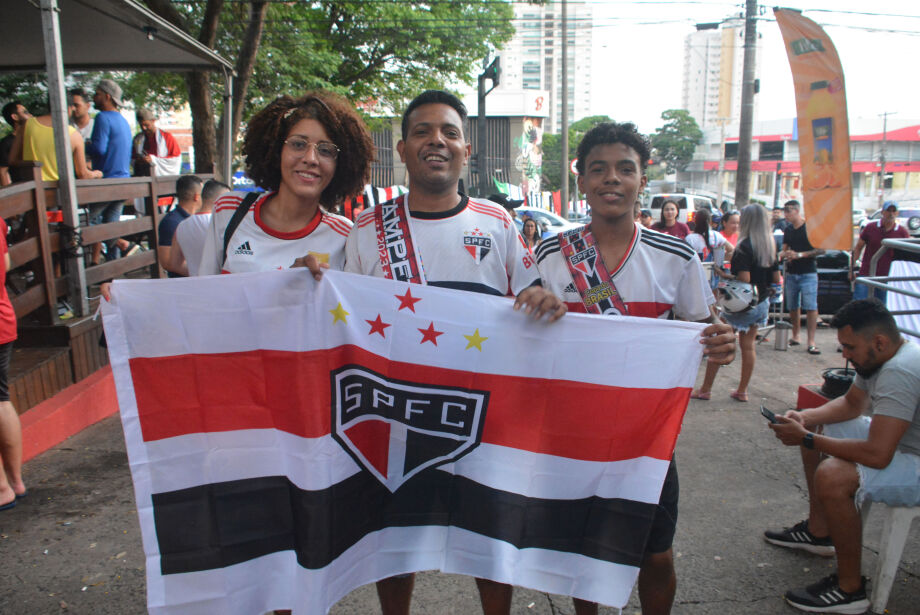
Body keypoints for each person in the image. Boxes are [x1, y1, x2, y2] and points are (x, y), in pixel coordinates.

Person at [305, 89, 565, 615]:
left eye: (448, 132)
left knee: (488, 541)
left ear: (466, 150)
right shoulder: (366, 229)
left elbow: (534, 299)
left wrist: (542, 299)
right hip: (397, 412)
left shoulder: (498, 223)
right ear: (401, 150)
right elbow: (344, 315)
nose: (435, 142)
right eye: (422, 131)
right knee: (394, 542)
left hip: (483, 413)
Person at [534, 121, 735, 615]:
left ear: (642, 180)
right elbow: (522, 332)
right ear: (580, 180)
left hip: (647, 439)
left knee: (656, 554)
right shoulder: (548, 254)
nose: (612, 179)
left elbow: (702, 328)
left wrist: (721, 341)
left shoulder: (676, 254)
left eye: (626, 169)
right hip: (573, 435)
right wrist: (531, 303)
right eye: (598, 169)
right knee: (585, 550)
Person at [765, 299, 920, 614]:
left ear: (879, 341)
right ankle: (819, 533)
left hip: (913, 458)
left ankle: (851, 590)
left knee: (834, 475)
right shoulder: (880, 356)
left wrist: (807, 438)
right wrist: (807, 420)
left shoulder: (900, 371)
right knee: (820, 421)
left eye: (849, 347)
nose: (844, 355)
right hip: (902, 444)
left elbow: (877, 455)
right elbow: (851, 405)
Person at [198, 92, 374, 276]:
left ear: (341, 164)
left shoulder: (345, 236)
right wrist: (284, 283)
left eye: (325, 150)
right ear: (276, 151)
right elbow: (203, 296)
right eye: (298, 144)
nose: (310, 159)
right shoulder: (229, 210)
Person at [691, 204, 779, 403]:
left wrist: (724, 274)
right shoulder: (770, 245)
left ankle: (706, 389)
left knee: (721, 343)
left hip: (741, 303)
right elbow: (776, 277)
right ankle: (742, 390)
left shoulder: (744, 247)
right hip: (762, 301)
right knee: (748, 346)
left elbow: (744, 279)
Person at [85, 79, 134, 265]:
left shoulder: (102, 118)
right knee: (111, 222)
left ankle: (122, 244)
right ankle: (114, 267)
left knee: (90, 222)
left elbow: (99, 149)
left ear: (107, 96)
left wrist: (84, 146)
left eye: (97, 94)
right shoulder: (122, 120)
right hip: (123, 180)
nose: (94, 98)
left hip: (106, 179)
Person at [0, 217, 25, 511]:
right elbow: (5, 264)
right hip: (4, 318)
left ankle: (3, 488)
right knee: (2, 400)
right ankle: (14, 481)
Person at [781, 199, 824, 354]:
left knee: (811, 306)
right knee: (793, 305)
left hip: (808, 272)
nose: (786, 214)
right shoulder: (788, 229)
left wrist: (800, 254)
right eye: (784, 211)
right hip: (793, 272)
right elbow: (784, 249)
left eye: (788, 211)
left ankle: (811, 340)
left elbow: (821, 250)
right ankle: (796, 335)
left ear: (797, 211)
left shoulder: (810, 227)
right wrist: (786, 254)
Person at [9, 109, 101, 182]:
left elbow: (12, 160)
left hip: (31, 189)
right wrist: (97, 174)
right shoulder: (73, 134)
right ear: (69, 109)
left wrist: (31, 163)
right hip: (58, 192)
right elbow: (83, 174)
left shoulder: (28, 124)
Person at [166, 179, 229, 277]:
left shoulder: (181, 226)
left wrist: (197, 273)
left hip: (196, 284)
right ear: (221, 199)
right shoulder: (222, 224)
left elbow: (174, 264)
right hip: (221, 284)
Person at [851, 200, 909, 303]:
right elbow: (858, 247)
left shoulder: (902, 232)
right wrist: (852, 268)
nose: (891, 214)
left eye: (893, 211)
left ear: (897, 213)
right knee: (859, 304)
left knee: (882, 307)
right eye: (888, 211)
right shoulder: (870, 227)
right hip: (867, 273)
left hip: (888, 276)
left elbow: (907, 256)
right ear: (882, 212)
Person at [157, 175, 203, 277]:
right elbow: (166, 262)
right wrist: (201, 273)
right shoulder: (171, 222)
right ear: (196, 196)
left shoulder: (198, 218)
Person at [684, 207, 733, 295]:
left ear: (695, 221)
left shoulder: (690, 238)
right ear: (710, 221)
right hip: (713, 276)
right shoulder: (716, 236)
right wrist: (721, 259)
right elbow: (732, 250)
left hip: (694, 277)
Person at [132, 108, 182, 177]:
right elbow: (133, 159)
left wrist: (153, 159)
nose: (144, 128)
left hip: (161, 179)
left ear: (153, 121)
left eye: (146, 125)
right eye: (141, 125)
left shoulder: (167, 138)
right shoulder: (137, 139)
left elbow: (175, 160)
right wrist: (139, 160)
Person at [1, 101, 31, 186]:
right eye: (25, 112)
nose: (30, 115)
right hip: (21, 190)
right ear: (15, 117)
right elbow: (3, 172)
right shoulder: (6, 143)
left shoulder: (32, 138)